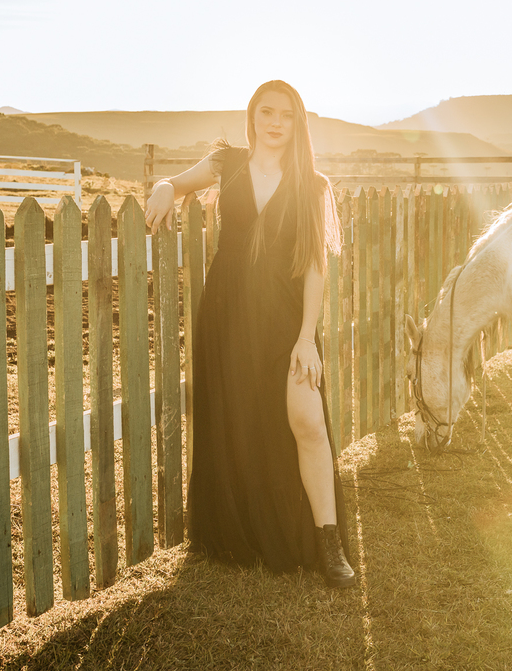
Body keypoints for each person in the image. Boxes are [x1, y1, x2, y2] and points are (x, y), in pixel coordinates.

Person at [144, 80, 355, 588]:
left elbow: (314, 268)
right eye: (267, 111)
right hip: (229, 310)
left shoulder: (313, 184)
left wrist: (307, 337)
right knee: (234, 418)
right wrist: (163, 187)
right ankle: (237, 534)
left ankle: (330, 547)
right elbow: (177, 183)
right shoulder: (227, 163)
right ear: (253, 115)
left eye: (286, 114)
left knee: (307, 420)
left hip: (285, 317)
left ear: (298, 121)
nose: (276, 122)